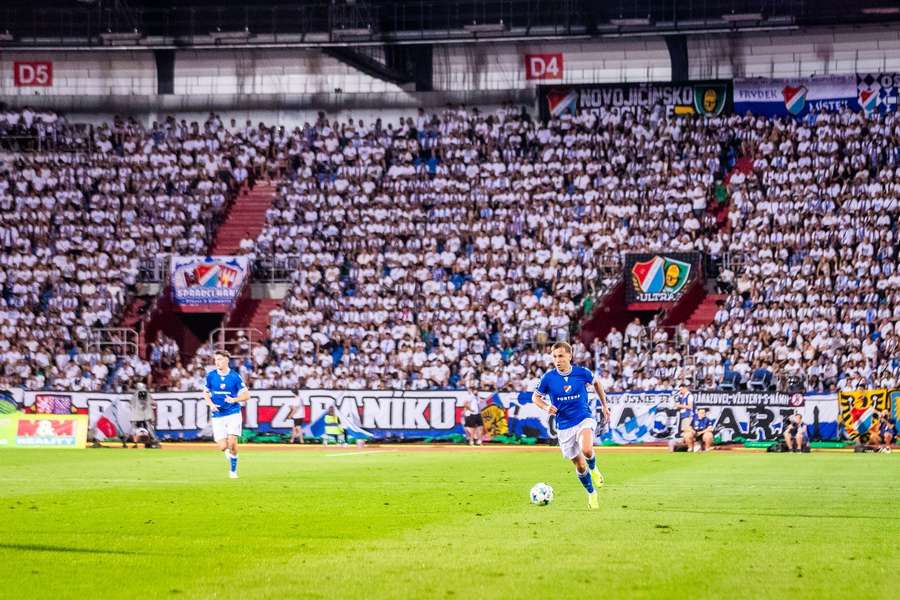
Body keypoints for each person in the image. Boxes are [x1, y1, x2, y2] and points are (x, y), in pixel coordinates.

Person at [532, 341, 611, 510]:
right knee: (580, 466)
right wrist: (546, 406)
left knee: (587, 449)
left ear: (570, 355)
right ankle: (591, 493)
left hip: (583, 418)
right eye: (554, 357)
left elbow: (597, 383)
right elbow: (535, 397)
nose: (557, 360)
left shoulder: (582, 373)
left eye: (560, 356)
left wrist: (604, 405)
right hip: (564, 426)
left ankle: (595, 469)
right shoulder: (548, 378)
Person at [203, 350, 250, 478]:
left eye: (220, 359)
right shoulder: (211, 376)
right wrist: (211, 404)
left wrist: (234, 399)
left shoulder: (235, 376)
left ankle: (233, 471)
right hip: (217, 415)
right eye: (216, 360)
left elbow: (247, 395)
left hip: (233, 412)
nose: (217, 362)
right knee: (223, 446)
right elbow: (206, 393)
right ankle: (230, 456)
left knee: (232, 442)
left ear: (227, 360)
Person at [129, 382, 159, 448]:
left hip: (141, 414)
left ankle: (153, 441)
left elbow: (142, 404)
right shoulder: (141, 393)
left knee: (141, 428)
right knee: (147, 428)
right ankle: (152, 441)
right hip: (143, 414)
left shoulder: (140, 392)